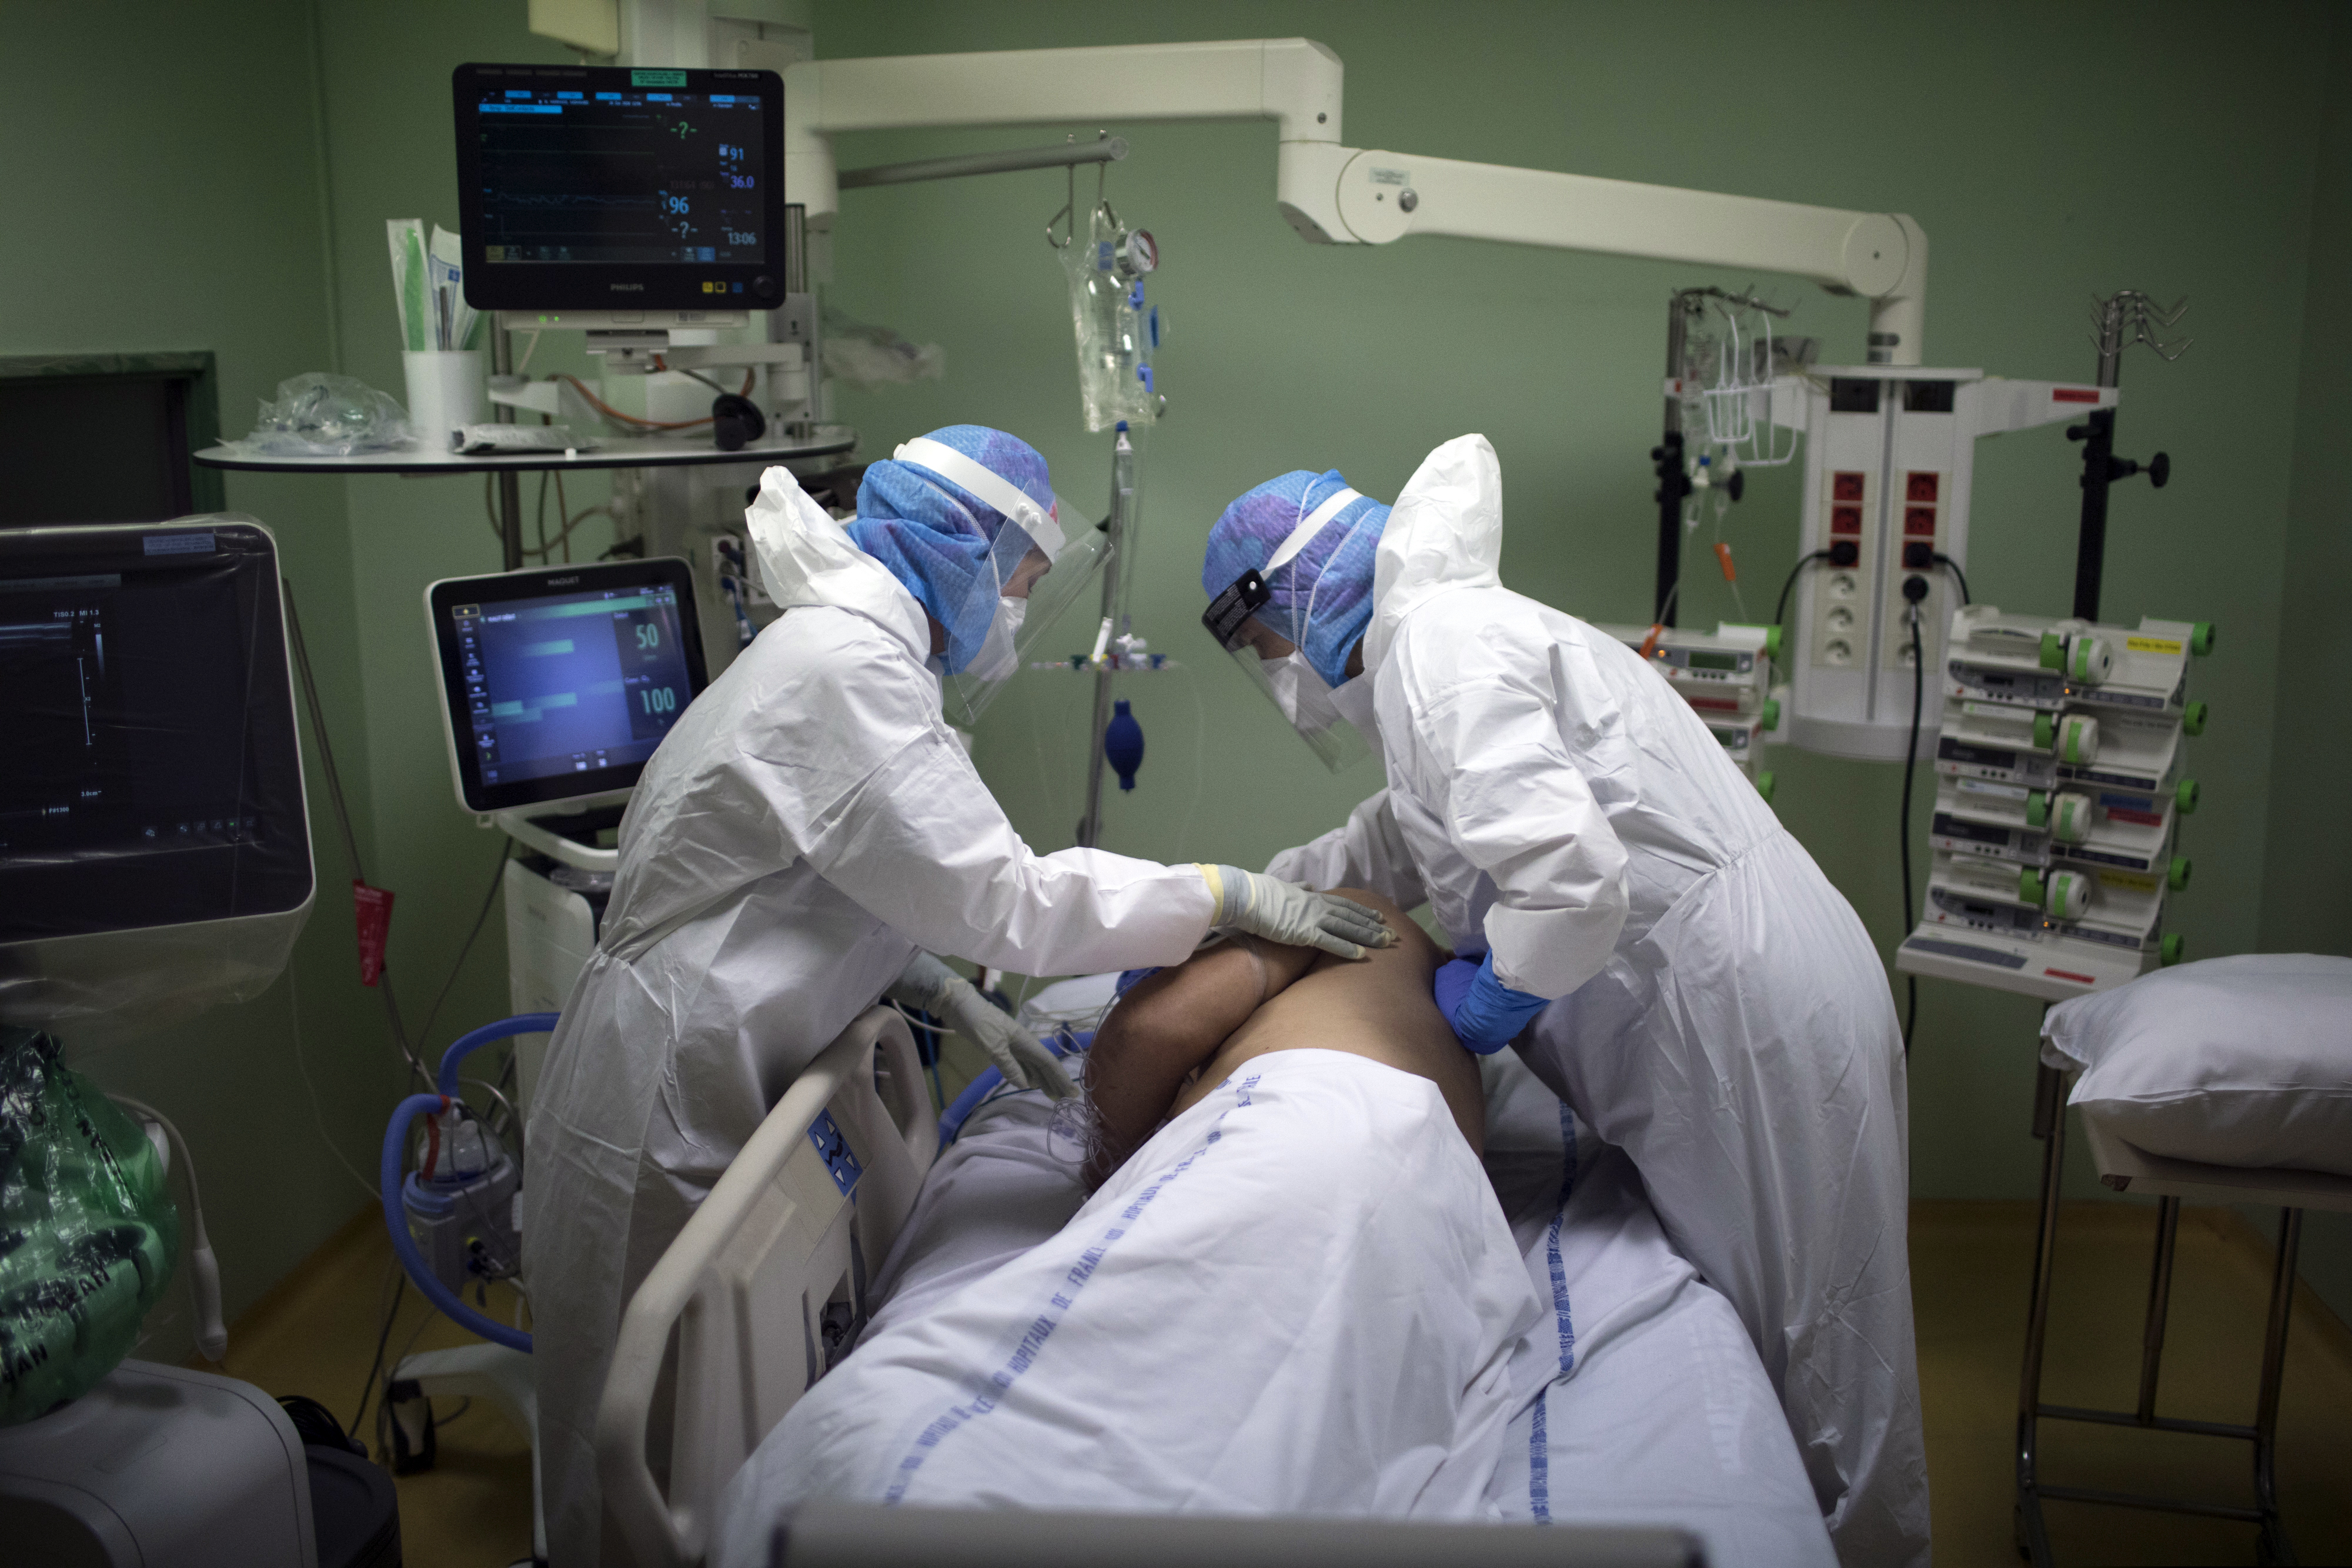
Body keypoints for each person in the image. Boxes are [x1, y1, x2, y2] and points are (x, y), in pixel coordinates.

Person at [522, 424, 1391, 1567]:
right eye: (1022, 580)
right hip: (667, 1082)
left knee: (701, 1408)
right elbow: (1003, 897)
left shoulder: (863, 668)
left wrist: (937, 988)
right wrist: (1221, 892)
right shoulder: (842, 668)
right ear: (959, 551)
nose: (1021, 607)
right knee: (642, 1426)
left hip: (723, 1044)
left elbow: (837, 889)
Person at [1196, 436, 1929, 1568]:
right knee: (1807, 1329)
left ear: (1299, 590)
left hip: (1740, 1006)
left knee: (1823, 1353)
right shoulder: (1431, 658)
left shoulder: (1442, 650)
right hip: (1729, 988)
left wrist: (1487, 1000)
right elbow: (1405, 835)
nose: (1278, 669)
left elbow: (1573, 881)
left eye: (1261, 641)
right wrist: (1246, 899)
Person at [709, 890, 1538, 1563]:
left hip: (1308, 1139)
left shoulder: (1358, 915)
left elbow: (1142, 1038)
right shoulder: (1420, 999)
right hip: (1430, 1212)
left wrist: (1118, 1172)